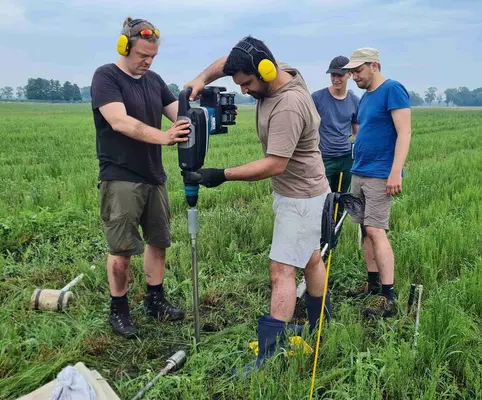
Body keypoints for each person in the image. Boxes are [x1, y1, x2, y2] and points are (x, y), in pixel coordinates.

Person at [184, 36, 331, 371]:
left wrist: (220, 174)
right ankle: (320, 322)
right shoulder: (273, 71)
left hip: (301, 197)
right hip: (302, 190)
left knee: (282, 269)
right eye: (240, 84)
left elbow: (274, 164)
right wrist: (201, 80)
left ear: (265, 71)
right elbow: (228, 62)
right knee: (309, 258)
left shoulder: (289, 105)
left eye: (248, 84)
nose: (245, 91)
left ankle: (271, 352)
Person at [90, 17, 191, 338]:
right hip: (120, 176)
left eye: (153, 57)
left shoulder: (154, 80)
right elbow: (119, 121)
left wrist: (202, 114)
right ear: (125, 47)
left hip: (154, 176)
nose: (147, 62)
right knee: (121, 250)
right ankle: (118, 309)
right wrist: (163, 137)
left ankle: (154, 300)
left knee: (158, 242)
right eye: (142, 56)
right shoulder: (106, 77)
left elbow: (181, 113)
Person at [342, 48, 412, 318]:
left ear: (374, 65)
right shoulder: (365, 97)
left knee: (376, 229)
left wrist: (396, 172)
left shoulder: (393, 89)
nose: (353, 76)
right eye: (351, 71)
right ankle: (371, 283)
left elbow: (404, 132)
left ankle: (388, 295)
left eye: (357, 70)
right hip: (359, 171)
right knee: (363, 230)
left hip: (380, 173)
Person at [311, 56, 359, 195]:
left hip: (345, 159)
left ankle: (336, 218)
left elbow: (356, 132)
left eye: (340, 75)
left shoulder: (355, 101)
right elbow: (308, 127)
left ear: (349, 74)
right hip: (323, 158)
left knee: (340, 198)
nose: (336, 79)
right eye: (333, 75)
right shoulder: (317, 98)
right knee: (320, 198)